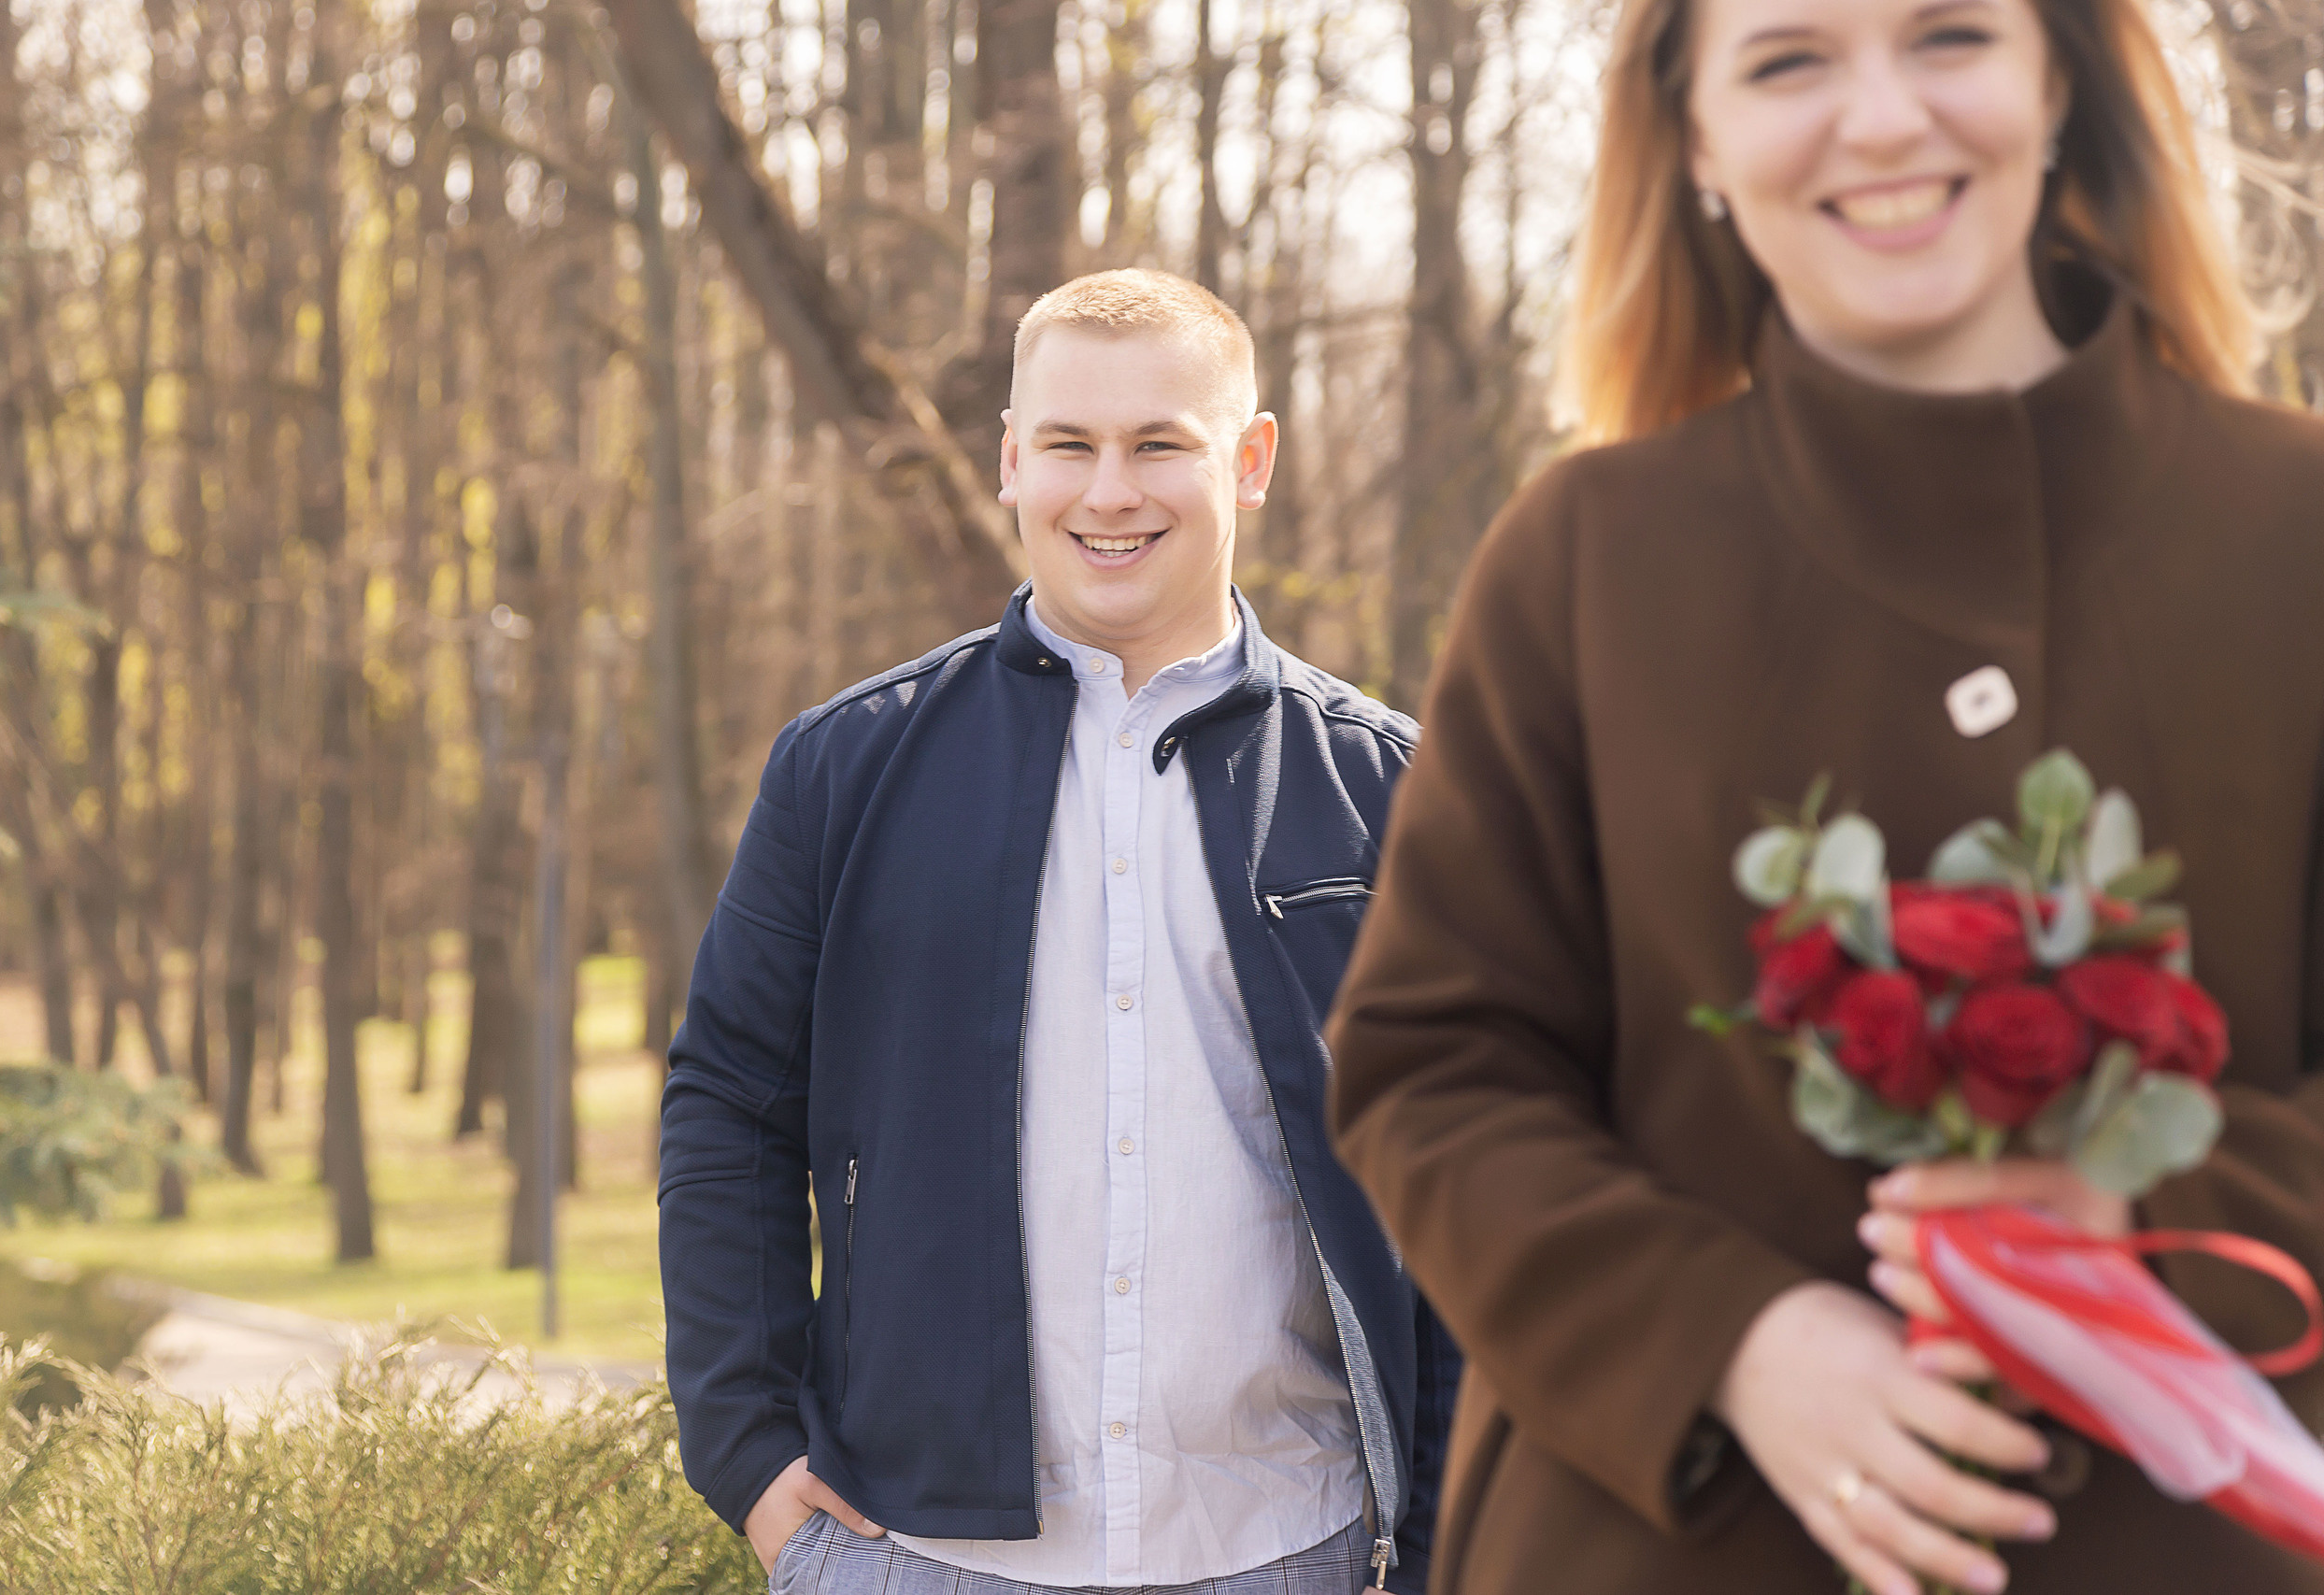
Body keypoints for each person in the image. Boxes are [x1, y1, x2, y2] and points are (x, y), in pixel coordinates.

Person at [1323, 0, 2324, 1587]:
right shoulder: (1585, 557)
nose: (1879, 120)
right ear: (1699, 139)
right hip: (1670, 1538)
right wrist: (1736, 1340)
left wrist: (2159, 1204)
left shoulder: (2298, 530)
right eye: (1790, 60)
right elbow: (1430, 1067)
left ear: (2058, 78)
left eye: (1949, 37)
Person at [661, 268, 1459, 1595]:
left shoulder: (1397, 792)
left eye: (1161, 445)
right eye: (1071, 446)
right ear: (1011, 459)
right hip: (915, 1556)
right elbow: (729, 1107)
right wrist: (748, 1458)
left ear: (1250, 460)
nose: (1110, 493)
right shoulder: (845, 771)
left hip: (1295, 1548)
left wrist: (1434, 1539)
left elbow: (1469, 1173)